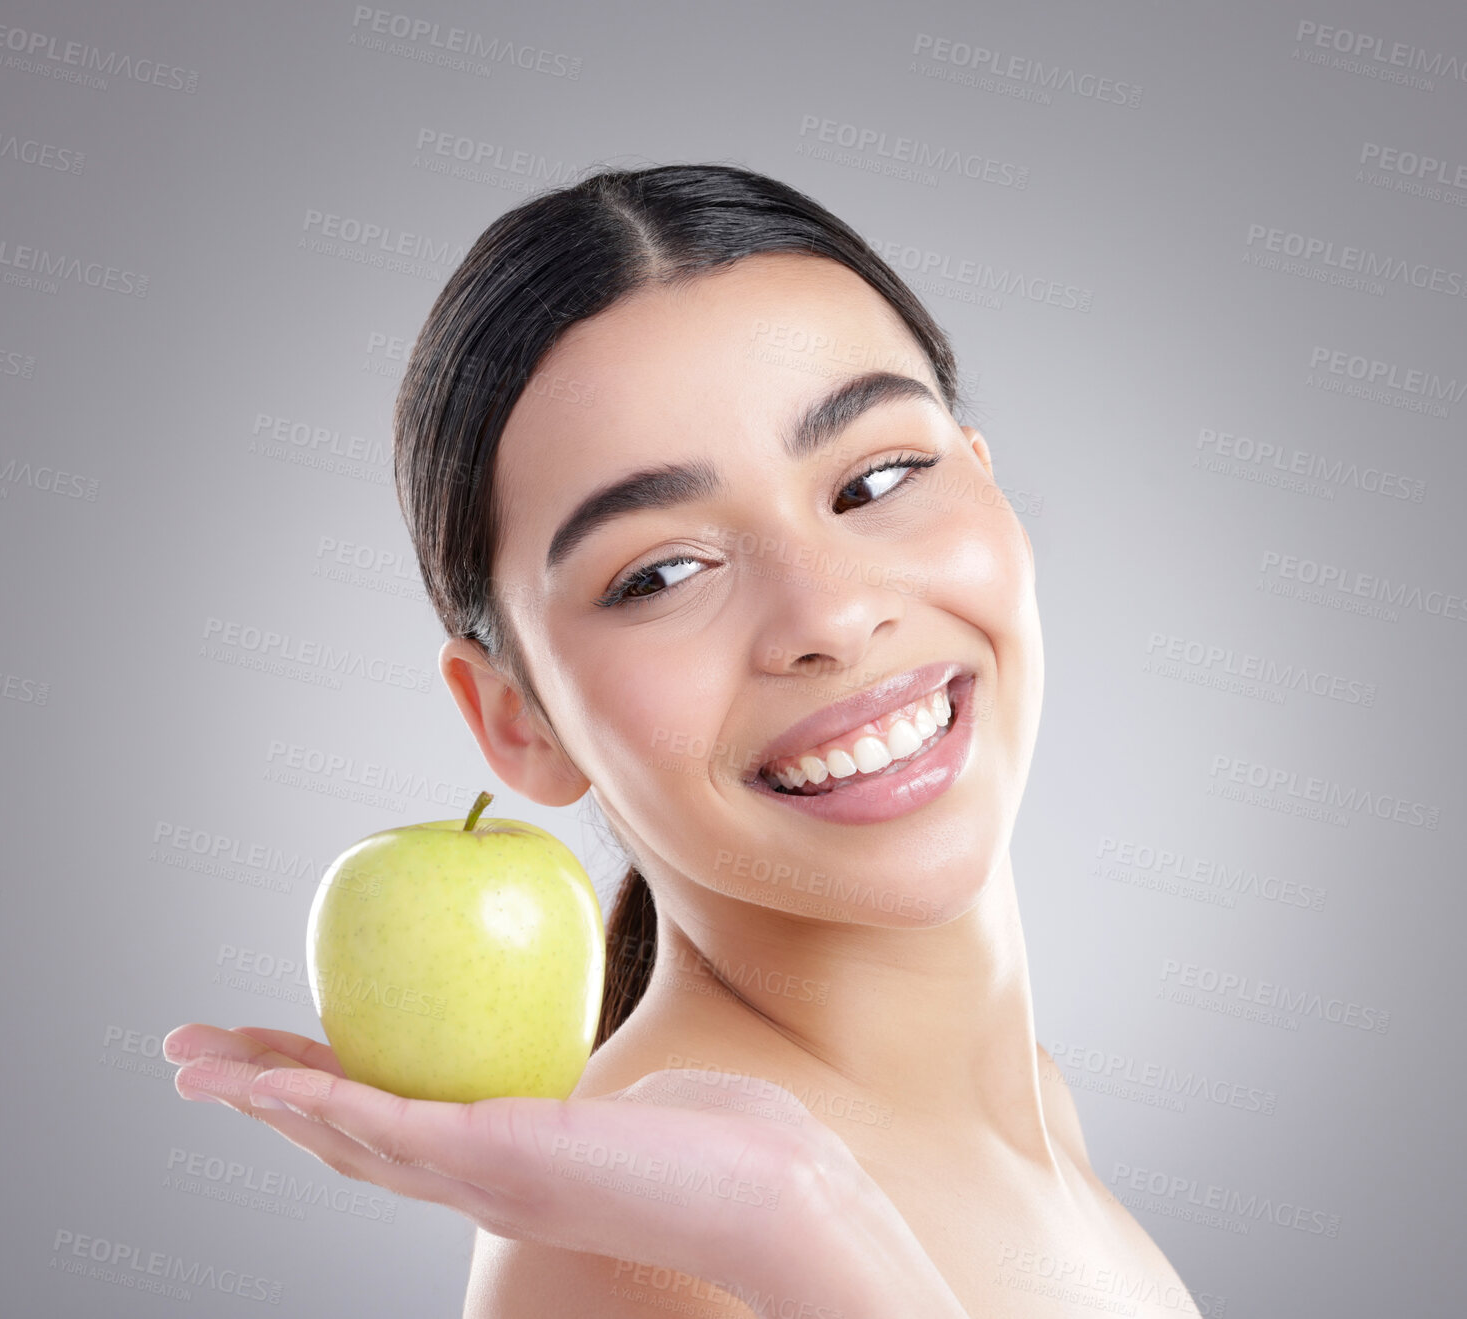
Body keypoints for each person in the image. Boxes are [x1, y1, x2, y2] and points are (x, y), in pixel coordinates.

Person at [165, 162, 1196, 1317]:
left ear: (988, 484)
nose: (829, 615)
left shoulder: (1030, 1110)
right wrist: (790, 1227)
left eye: (878, 477)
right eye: (659, 572)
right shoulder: (633, 1256)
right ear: (517, 717)